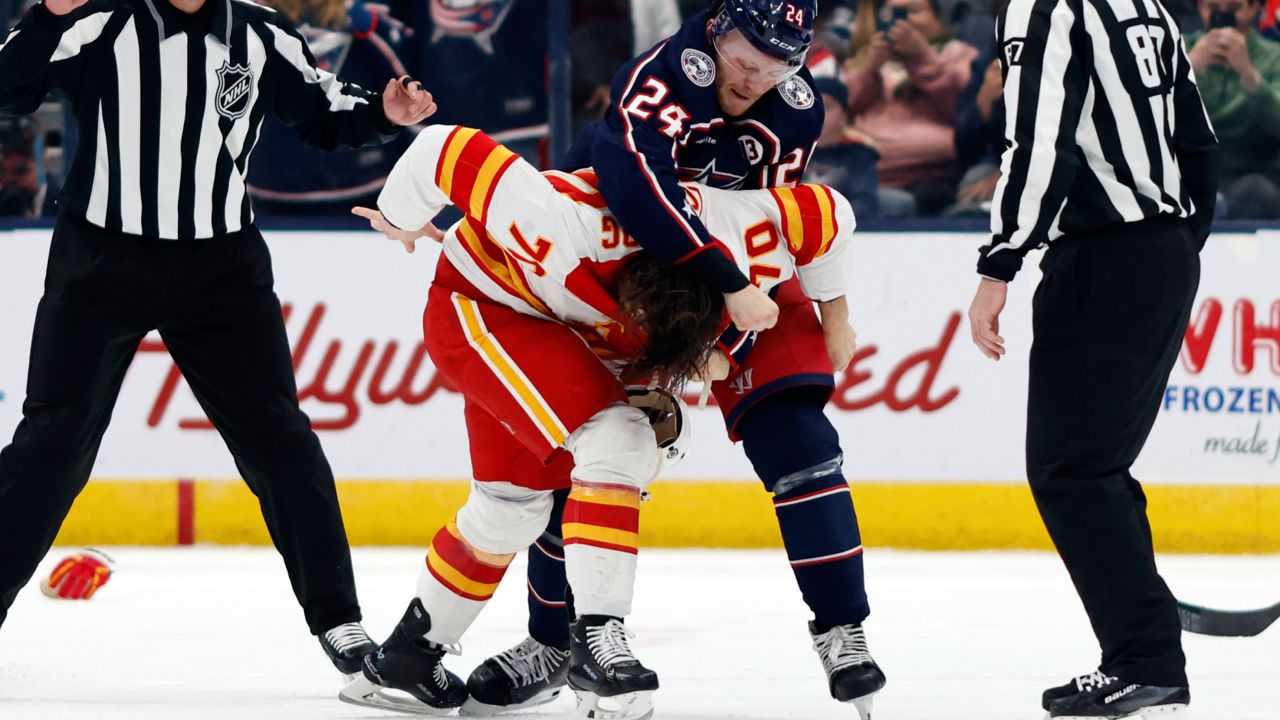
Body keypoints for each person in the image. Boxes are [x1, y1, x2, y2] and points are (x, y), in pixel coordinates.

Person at [343, 123, 857, 719]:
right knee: (621, 438)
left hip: (562, 329)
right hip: (485, 308)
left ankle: (405, 657)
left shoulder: (741, 232)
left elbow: (832, 215)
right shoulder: (555, 221)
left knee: (513, 508)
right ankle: (594, 639)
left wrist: (837, 317)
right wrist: (399, 214)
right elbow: (442, 147)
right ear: (630, 302)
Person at [469, 2, 887, 719]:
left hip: (744, 277)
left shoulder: (795, 107)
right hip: (621, 267)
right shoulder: (663, 78)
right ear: (716, 30)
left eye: (777, 64)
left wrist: (817, 315)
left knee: (803, 445)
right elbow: (635, 194)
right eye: (745, 58)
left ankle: (843, 630)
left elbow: (798, 219)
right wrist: (677, 349)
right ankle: (554, 641)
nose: (756, 79)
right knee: (582, 465)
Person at [0, 0, 435, 676]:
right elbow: (10, 87)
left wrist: (384, 110)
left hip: (220, 269)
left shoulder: (260, 32)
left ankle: (339, 621)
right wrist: (48, 16)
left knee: (281, 444)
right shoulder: (101, 21)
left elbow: (320, 109)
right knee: (52, 445)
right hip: (100, 263)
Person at [965, 0, 1219, 716]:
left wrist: (999, 265)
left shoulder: (1042, 9)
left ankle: (1145, 653)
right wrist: (1171, 244)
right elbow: (1197, 139)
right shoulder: (1141, 4)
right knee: (1093, 466)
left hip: (1105, 258)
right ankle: (1146, 640)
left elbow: (1040, 143)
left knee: (1072, 468)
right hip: (1158, 251)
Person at [844, 0, 979, 216]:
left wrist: (922, 57)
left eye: (913, 11)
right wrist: (869, 67)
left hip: (929, 179)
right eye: (895, 12)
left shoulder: (958, 54)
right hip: (862, 173)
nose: (903, 20)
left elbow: (965, 114)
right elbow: (841, 109)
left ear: (937, 19)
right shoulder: (870, 55)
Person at [1187, 0, 1280, 218]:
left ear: (1255, 8)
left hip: (1251, 171)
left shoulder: (1275, 57)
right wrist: (1189, 68)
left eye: (1233, 9)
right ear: (1200, 7)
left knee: (1257, 194)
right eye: (1214, 9)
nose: (1222, 17)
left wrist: (1249, 75)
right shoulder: (1179, 49)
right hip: (1191, 170)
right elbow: (1151, 115)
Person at [806, 76, 881, 219]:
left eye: (827, 106)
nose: (819, 112)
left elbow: (864, 202)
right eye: (812, 105)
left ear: (844, 114)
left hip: (843, 231)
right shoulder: (788, 151)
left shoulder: (858, 154)